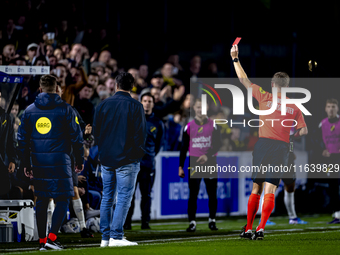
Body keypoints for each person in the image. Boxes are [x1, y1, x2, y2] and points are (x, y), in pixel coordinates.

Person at [230, 44, 308, 240]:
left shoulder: (264, 96)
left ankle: (248, 228)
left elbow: (243, 80)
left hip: (263, 144)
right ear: (287, 86)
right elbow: (303, 130)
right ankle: (261, 228)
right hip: (282, 147)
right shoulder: (294, 106)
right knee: (271, 188)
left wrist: (235, 58)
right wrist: (292, 134)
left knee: (256, 186)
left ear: (273, 84)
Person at [17, 75, 84, 250]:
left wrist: (26, 164)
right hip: (60, 160)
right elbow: (77, 138)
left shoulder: (29, 111)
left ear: (40, 89)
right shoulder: (66, 109)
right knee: (62, 198)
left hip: (38, 161)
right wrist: (79, 160)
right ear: (56, 90)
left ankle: (42, 241)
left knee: (42, 199)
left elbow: (21, 140)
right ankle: (52, 238)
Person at [93, 72, 147, 247]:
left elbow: (96, 133)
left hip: (107, 159)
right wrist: (135, 155)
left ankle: (105, 238)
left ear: (116, 85)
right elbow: (140, 136)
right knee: (123, 197)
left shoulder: (102, 105)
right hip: (127, 159)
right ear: (132, 87)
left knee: (107, 197)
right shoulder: (136, 106)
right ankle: (116, 236)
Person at [178, 98, 221, 232]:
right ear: (194, 108)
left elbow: (217, 145)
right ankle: (192, 222)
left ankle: (212, 221)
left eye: (202, 107)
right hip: (194, 163)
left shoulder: (213, 125)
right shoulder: (189, 126)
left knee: (212, 193)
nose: (199, 109)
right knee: (193, 194)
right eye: (197, 107)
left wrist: (207, 156)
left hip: (210, 162)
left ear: (207, 107)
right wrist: (180, 166)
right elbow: (183, 147)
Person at [124, 92, 164, 230]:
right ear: (140, 103)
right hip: (132, 164)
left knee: (146, 195)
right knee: (130, 194)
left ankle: (145, 222)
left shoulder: (158, 123)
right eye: (145, 101)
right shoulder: (133, 119)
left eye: (149, 101)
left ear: (153, 103)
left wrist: (150, 155)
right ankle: (127, 222)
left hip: (148, 165)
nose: (147, 103)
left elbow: (158, 144)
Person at [319, 99, 340, 224]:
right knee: (332, 185)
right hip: (330, 159)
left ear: (337, 109)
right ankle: (337, 214)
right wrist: (322, 150)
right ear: (325, 109)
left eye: (333, 106)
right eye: (329, 106)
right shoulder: (322, 124)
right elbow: (315, 140)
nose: (331, 109)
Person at [0, 89, 17, 198]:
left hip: (2, 161)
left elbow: (11, 141)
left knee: (4, 189)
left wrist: (12, 160)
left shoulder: (7, 117)